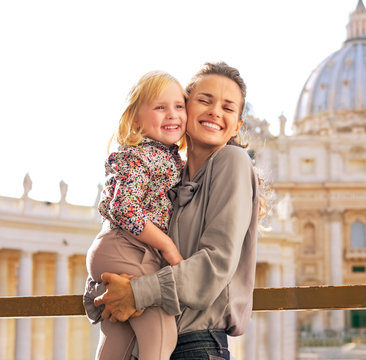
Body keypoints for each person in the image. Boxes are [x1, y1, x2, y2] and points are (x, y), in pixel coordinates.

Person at [92, 62, 260, 360]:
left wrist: (135, 293)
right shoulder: (168, 175)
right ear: (187, 108)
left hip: (196, 344)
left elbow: (214, 265)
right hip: (149, 339)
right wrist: (103, 293)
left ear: (237, 126)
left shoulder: (232, 160)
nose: (215, 112)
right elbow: (128, 246)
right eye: (204, 101)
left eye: (228, 107)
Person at [84, 70, 187, 360]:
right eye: (160, 107)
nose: (173, 114)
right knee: (161, 330)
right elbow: (126, 208)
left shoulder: (163, 155)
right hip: (127, 248)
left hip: (116, 247)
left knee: (119, 338)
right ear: (135, 119)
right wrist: (167, 245)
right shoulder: (141, 153)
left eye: (179, 106)